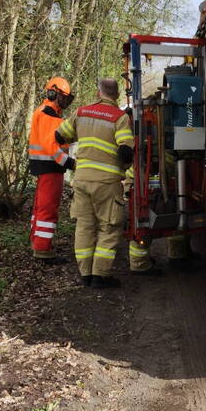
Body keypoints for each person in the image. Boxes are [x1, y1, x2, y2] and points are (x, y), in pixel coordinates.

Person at [55, 78, 133, 288]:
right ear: (116, 95)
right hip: (106, 183)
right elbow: (126, 151)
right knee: (108, 227)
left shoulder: (81, 112)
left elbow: (59, 135)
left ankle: (85, 274)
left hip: (81, 179)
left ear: (98, 92)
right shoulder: (120, 117)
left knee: (84, 226)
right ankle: (100, 276)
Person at [28, 77, 75, 263]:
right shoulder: (48, 114)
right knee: (48, 209)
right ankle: (43, 249)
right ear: (53, 93)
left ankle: (37, 242)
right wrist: (71, 164)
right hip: (50, 167)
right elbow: (51, 147)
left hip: (45, 167)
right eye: (63, 97)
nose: (65, 101)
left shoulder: (46, 111)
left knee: (40, 207)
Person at [123, 165, 161, 276]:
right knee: (141, 226)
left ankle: (142, 260)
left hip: (139, 181)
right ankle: (139, 265)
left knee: (144, 225)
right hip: (137, 184)